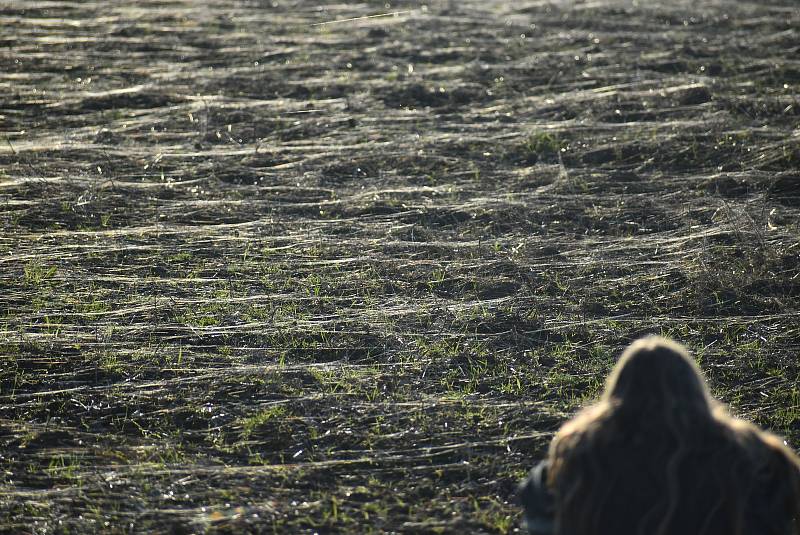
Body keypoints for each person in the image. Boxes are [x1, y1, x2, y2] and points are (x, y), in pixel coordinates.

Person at [518, 336, 800, 535]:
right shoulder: (754, 457)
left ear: (617, 395)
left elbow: (539, 510)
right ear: (697, 391)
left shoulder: (579, 457)